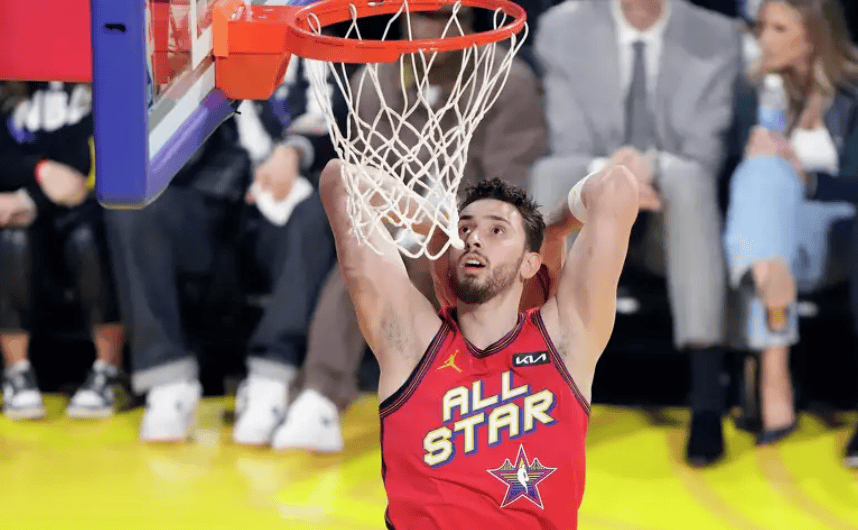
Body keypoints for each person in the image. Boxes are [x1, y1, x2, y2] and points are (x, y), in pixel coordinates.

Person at [269, 7, 549, 453]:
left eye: (446, 16)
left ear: (468, 18)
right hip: (403, 229)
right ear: (402, 16)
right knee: (365, 250)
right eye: (423, 15)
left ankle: (336, 393)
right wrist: (406, 221)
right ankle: (318, 396)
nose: (435, 28)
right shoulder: (373, 82)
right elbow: (367, 180)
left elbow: (510, 195)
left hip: (482, 235)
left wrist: (446, 226)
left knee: (412, 256)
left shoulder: (508, 81)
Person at [318, 151, 640, 527]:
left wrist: (550, 231)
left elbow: (615, 187)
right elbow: (342, 181)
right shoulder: (411, 344)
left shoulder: (566, 340)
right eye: (465, 229)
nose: (474, 239)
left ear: (529, 262)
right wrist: (437, 227)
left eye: (496, 231)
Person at [533, 0, 742, 466]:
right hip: (593, 207)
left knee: (689, 180)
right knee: (551, 172)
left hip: (668, 216)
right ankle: (537, 381)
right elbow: (568, 140)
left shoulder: (716, 36)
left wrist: (650, 168)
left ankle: (706, 396)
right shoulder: (563, 28)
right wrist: (616, 178)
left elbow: (704, 151)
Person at [106, 58, 339, 443]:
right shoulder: (204, 47)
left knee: (316, 212)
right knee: (132, 207)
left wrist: (294, 151)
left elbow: (334, 119)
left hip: (284, 211)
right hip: (214, 205)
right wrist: (180, 94)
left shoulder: (314, 50)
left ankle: (270, 379)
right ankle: (168, 380)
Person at [721, 0, 858, 463]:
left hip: (836, 237)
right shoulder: (750, 91)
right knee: (760, 176)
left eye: (779, 29)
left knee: (769, 179)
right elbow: (727, 181)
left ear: (813, 33)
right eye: (761, 27)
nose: (764, 39)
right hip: (771, 241)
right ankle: (775, 360)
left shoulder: (853, 91)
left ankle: (767, 363)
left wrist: (806, 177)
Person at [0, 81, 125, 420]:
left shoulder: (99, 89)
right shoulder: (11, 91)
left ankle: (109, 370)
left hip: (85, 209)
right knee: (13, 240)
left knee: (88, 236)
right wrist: (39, 171)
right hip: (20, 211)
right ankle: (17, 373)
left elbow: (77, 176)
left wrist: (32, 199)